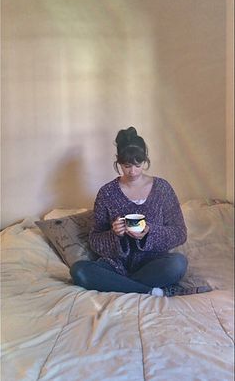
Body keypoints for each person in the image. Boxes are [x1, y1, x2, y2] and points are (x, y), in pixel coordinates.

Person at [70, 127, 211, 297]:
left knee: (178, 264)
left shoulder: (162, 189)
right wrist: (115, 234)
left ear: (145, 161)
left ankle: (121, 286)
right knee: (79, 270)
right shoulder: (107, 193)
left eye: (138, 165)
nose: (133, 172)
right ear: (118, 163)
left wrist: (149, 233)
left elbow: (180, 233)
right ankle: (154, 291)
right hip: (116, 266)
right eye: (127, 166)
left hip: (154, 264)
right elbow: (95, 240)